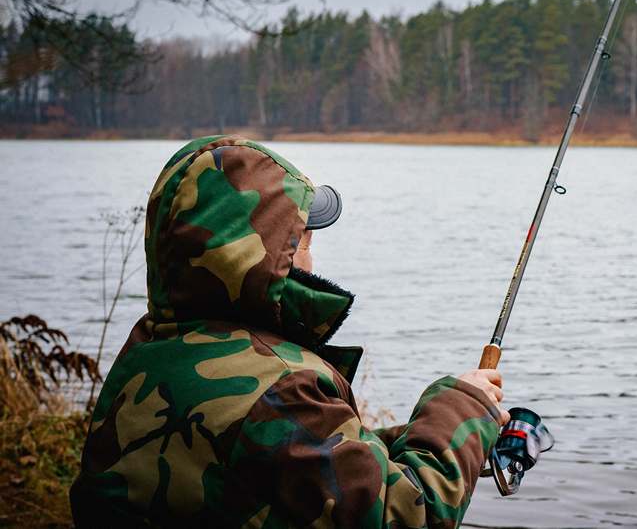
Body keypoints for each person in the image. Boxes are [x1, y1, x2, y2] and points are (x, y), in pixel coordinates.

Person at [71, 135, 508, 527]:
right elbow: (410, 515)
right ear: (262, 255)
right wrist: (463, 407)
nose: (311, 260)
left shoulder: (149, 349)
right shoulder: (285, 386)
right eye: (303, 242)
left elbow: (289, 459)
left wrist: (432, 439)